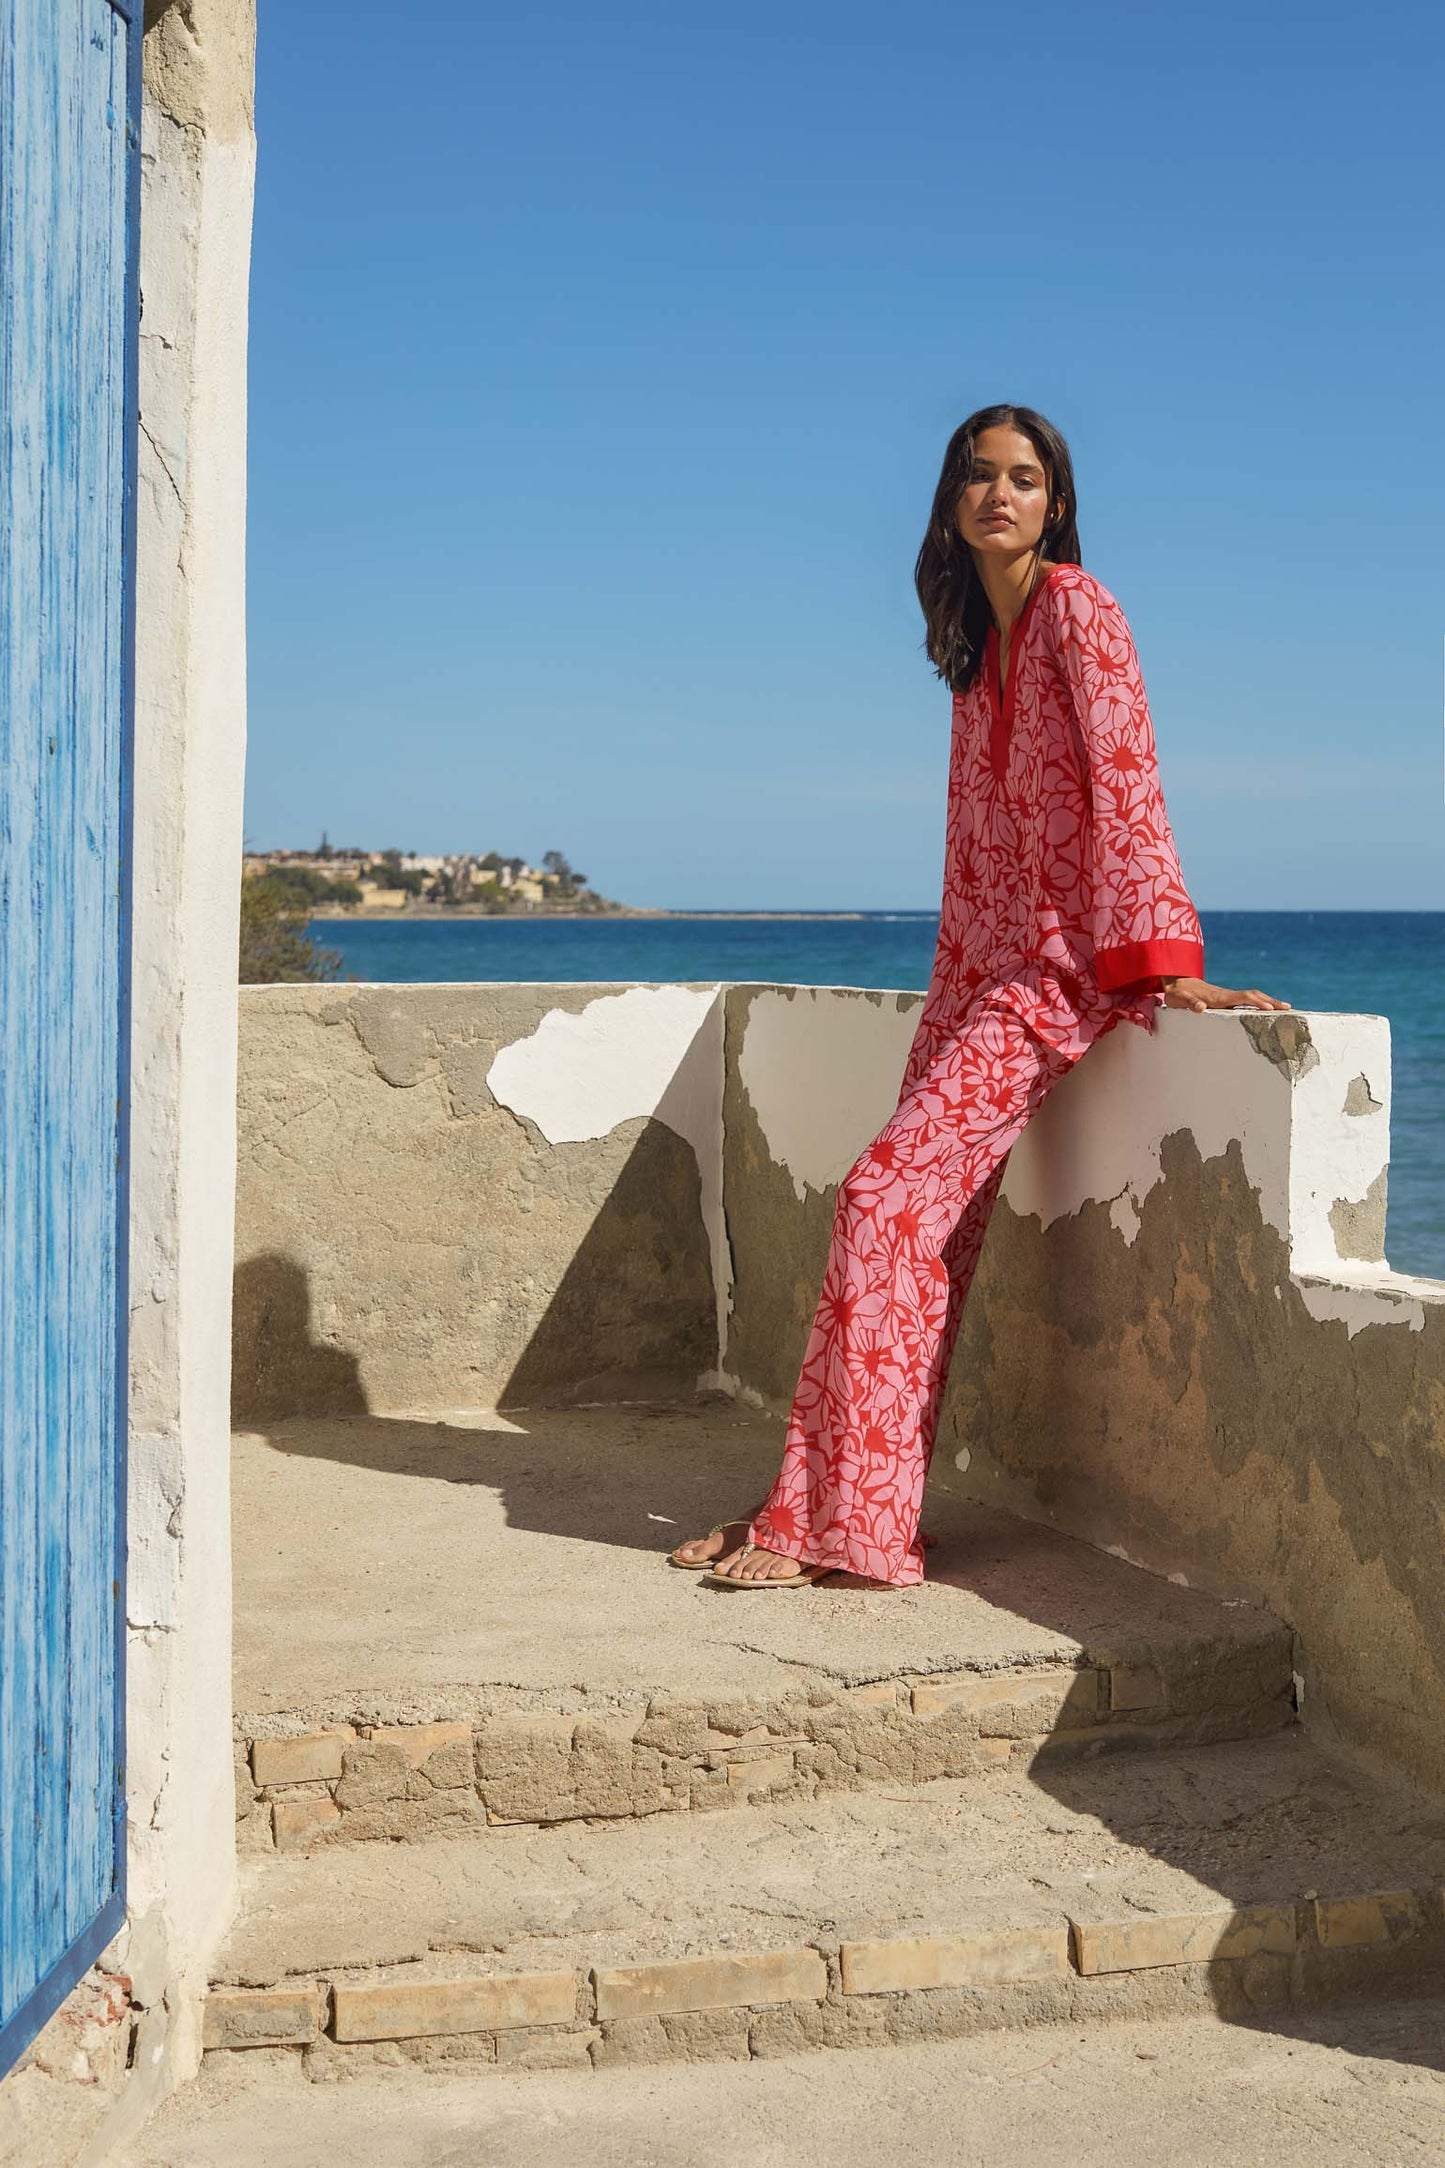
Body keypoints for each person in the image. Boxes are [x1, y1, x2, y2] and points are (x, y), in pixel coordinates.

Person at [670, 404, 1288, 1590]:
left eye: (1021, 477)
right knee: (925, 1236)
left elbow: (1126, 777)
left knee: (876, 1199)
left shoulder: (1076, 608)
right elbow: (971, 855)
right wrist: (944, 998)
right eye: (975, 474)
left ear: (1053, 503)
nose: (996, 492)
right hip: (975, 982)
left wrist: (1163, 965)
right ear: (951, 502)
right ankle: (811, 1507)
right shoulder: (971, 651)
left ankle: (834, 1528)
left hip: (1059, 983)